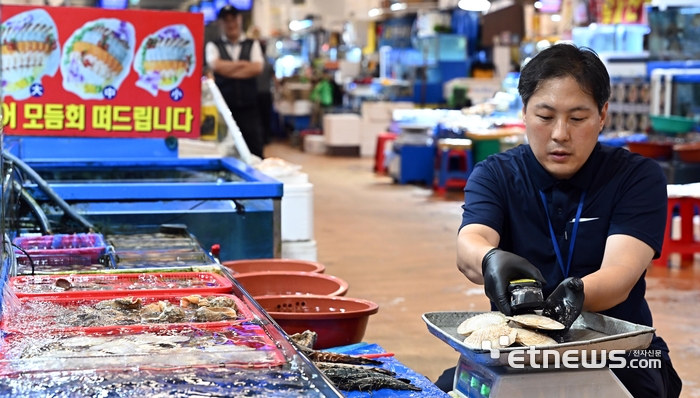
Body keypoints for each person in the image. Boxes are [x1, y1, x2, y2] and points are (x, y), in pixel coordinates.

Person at [438, 44, 682, 397]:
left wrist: (572, 298)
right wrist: (489, 258)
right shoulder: (496, 175)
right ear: (524, 112)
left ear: (603, 115)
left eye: (578, 118)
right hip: (515, 351)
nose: (560, 134)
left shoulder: (636, 177)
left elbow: (620, 277)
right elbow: (470, 244)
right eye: (545, 116)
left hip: (618, 352)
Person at [205, 5, 265, 158]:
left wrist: (228, 70)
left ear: (240, 20)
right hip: (224, 108)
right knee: (224, 150)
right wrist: (244, 64)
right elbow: (216, 66)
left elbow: (257, 68)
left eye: (234, 19)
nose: (231, 24)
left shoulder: (253, 44)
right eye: (226, 20)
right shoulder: (213, 45)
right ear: (220, 23)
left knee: (255, 148)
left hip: (249, 107)